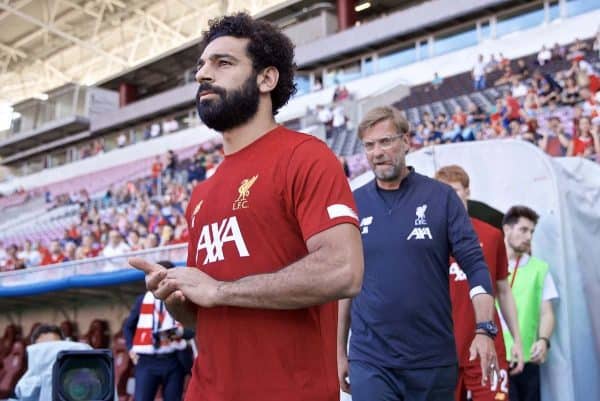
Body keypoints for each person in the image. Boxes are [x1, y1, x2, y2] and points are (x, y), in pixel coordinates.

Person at [129, 12, 363, 401]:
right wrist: (177, 301)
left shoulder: (305, 156)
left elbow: (344, 270)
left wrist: (220, 290)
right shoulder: (201, 193)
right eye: (201, 65)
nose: (203, 74)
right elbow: (207, 319)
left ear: (266, 79)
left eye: (223, 63)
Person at [339, 106, 498, 401]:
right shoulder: (353, 202)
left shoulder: (441, 198)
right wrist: (338, 352)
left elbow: (476, 266)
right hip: (371, 359)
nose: (377, 152)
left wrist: (485, 328)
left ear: (406, 141)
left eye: (385, 141)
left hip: (431, 361)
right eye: (370, 145)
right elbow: (345, 285)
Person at [435, 165, 524, 401]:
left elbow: (503, 291)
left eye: (454, 191)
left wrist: (517, 340)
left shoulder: (491, 235)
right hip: (443, 350)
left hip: (487, 347)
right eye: (442, 192)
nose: (449, 198)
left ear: (467, 191)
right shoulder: (429, 240)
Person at [502, 206, 558, 401]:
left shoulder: (539, 269)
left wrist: (543, 340)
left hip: (527, 359)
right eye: (523, 230)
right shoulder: (487, 263)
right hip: (497, 357)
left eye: (531, 232)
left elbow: (547, 312)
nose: (528, 236)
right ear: (507, 229)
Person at [123, 261, 193, 401]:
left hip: (173, 359)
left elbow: (193, 330)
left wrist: (172, 334)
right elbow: (128, 326)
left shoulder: (182, 299)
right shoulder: (142, 300)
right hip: (147, 361)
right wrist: (131, 348)